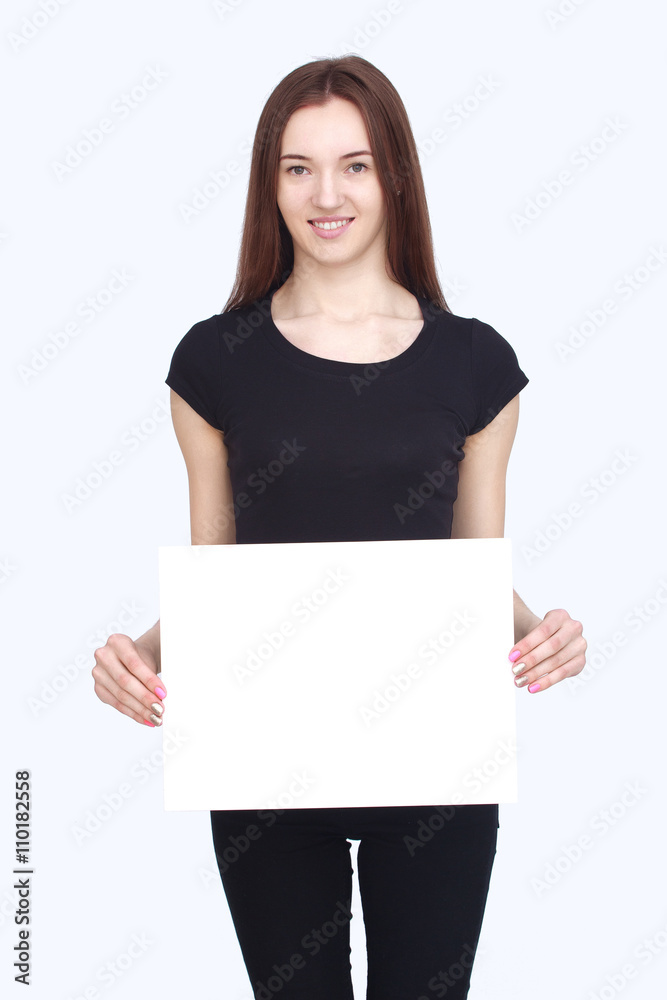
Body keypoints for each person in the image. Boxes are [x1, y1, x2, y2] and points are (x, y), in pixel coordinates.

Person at [92, 54, 587, 998]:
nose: (327, 195)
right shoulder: (214, 361)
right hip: (263, 751)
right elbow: (218, 574)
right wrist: (137, 657)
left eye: (354, 165)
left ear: (393, 174)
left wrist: (545, 634)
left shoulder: (475, 364)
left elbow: (471, 570)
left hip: (437, 755)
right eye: (298, 168)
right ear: (269, 184)